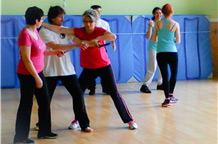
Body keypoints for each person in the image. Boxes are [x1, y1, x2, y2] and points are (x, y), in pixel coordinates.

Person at [42, 9, 138, 130]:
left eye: (91, 21)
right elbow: (60, 30)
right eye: (86, 21)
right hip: (88, 68)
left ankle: (130, 120)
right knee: (78, 94)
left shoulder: (99, 31)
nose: (88, 24)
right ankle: (77, 120)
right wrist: (42, 24)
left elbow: (112, 36)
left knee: (115, 94)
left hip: (104, 66)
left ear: (95, 21)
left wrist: (97, 39)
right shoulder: (79, 31)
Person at [38, 6, 92, 132]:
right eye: (60, 17)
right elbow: (54, 46)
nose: (63, 19)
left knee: (78, 95)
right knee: (46, 100)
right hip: (50, 71)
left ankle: (84, 124)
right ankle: (41, 123)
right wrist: (75, 44)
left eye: (63, 16)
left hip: (67, 70)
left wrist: (82, 42)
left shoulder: (65, 30)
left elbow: (75, 39)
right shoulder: (44, 31)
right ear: (52, 18)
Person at [13, 6, 59, 144]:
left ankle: (44, 131)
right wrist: (36, 78)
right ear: (36, 20)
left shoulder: (35, 32)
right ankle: (20, 138)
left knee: (44, 102)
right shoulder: (25, 34)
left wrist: (54, 52)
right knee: (26, 105)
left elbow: (40, 52)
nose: (43, 20)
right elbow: (26, 59)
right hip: (28, 75)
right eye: (42, 18)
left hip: (38, 72)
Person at [152, 4, 180, 107]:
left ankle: (167, 98)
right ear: (172, 12)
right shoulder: (175, 24)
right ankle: (171, 94)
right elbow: (178, 40)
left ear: (162, 12)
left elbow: (154, 39)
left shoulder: (158, 24)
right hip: (172, 52)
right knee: (174, 74)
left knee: (164, 75)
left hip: (160, 52)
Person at [88, 5, 117, 95]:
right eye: (96, 11)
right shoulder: (88, 23)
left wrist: (113, 43)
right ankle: (92, 88)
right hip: (91, 49)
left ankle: (106, 88)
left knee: (104, 70)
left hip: (102, 49)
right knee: (90, 70)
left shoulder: (104, 23)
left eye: (99, 11)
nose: (98, 13)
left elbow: (110, 35)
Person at [140, 7, 163, 93]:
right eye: (157, 13)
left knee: (162, 67)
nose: (159, 14)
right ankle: (145, 85)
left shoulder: (163, 23)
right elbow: (148, 37)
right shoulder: (152, 23)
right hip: (153, 48)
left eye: (160, 13)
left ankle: (160, 84)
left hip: (162, 47)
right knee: (152, 67)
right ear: (154, 14)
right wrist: (150, 27)